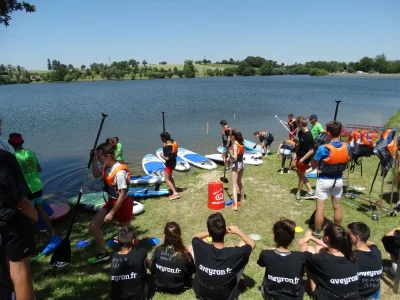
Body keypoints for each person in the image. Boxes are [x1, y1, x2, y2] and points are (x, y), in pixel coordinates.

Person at [0, 121, 38, 300]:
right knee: (20, 272)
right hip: (11, 223)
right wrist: (33, 215)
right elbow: (20, 201)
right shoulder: (6, 159)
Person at [192, 212, 255, 300]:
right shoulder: (234, 253)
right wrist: (238, 232)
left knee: (200, 243)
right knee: (243, 243)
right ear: (224, 232)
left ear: (210, 232)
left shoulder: (199, 246)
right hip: (226, 297)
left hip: (202, 295)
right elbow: (252, 243)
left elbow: (195, 237)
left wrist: (211, 231)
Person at [88, 142, 133, 264]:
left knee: (126, 231)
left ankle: (132, 256)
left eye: (99, 157)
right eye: (97, 157)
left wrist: (112, 213)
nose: (98, 159)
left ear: (108, 156)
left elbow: (122, 195)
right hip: (110, 202)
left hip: (122, 204)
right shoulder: (106, 166)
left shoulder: (119, 173)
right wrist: (93, 160)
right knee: (93, 225)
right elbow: (97, 174)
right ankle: (103, 254)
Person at [8, 133, 55, 236]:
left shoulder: (13, 157)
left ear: (11, 144)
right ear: (22, 142)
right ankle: (52, 231)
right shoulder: (31, 153)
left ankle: (36, 234)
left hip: (26, 190)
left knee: (30, 214)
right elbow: (39, 169)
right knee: (41, 209)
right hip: (37, 186)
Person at [311, 121, 351, 238]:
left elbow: (314, 165)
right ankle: (337, 232)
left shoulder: (323, 148)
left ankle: (317, 232)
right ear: (340, 133)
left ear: (328, 133)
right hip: (338, 179)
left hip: (324, 179)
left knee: (320, 208)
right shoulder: (347, 146)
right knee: (337, 206)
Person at [298, 224, 358, 300]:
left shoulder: (323, 260)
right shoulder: (350, 256)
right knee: (319, 248)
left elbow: (303, 254)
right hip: (350, 297)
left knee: (310, 258)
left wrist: (306, 237)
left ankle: (311, 288)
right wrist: (311, 238)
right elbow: (327, 246)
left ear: (326, 238)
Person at [257, 218, 306, 300]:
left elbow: (261, 264)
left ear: (274, 236)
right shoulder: (301, 257)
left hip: (271, 295)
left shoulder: (266, 254)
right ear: (292, 238)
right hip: (295, 297)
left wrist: (269, 249)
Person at [150, 222, 195, 293]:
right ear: (180, 235)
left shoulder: (157, 251)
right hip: (178, 287)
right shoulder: (185, 255)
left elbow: (152, 269)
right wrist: (191, 254)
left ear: (164, 235)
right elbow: (191, 272)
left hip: (159, 285)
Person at [111, 225, 151, 300]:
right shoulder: (141, 253)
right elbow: (135, 253)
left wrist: (121, 242)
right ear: (133, 241)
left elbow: (125, 254)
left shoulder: (114, 257)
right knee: (144, 261)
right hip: (138, 298)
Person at [348, 222, 382, 299]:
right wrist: (363, 241)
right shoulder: (376, 252)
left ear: (356, 238)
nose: (348, 236)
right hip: (374, 294)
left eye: (349, 234)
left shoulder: (352, 257)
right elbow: (372, 243)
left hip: (358, 295)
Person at [295, 116, 315, 201]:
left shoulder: (309, 135)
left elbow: (312, 151)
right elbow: (299, 144)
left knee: (301, 176)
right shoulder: (300, 132)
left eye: (297, 123)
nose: (296, 125)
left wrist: (302, 159)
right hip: (299, 156)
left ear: (300, 124)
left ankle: (298, 193)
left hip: (304, 159)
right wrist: (295, 154)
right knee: (299, 174)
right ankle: (310, 191)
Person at [159, 132, 180, 200]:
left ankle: (175, 194)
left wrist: (161, 156)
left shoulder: (166, 147)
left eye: (162, 138)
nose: (161, 140)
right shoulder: (174, 142)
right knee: (170, 177)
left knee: (166, 179)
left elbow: (167, 158)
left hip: (169, 164)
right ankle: (174, 188)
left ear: (164, 138)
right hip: (174, 162)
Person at [229, 129, 245, 211]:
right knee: (239, 182)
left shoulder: (235, 144)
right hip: (241, 165)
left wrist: (230, 152)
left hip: (236, 166)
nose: (230, 137)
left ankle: (235, 205)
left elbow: (235, 157)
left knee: (234, 185)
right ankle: (243, 198)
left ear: (233, 136)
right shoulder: (241, 143)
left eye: (230, 135)